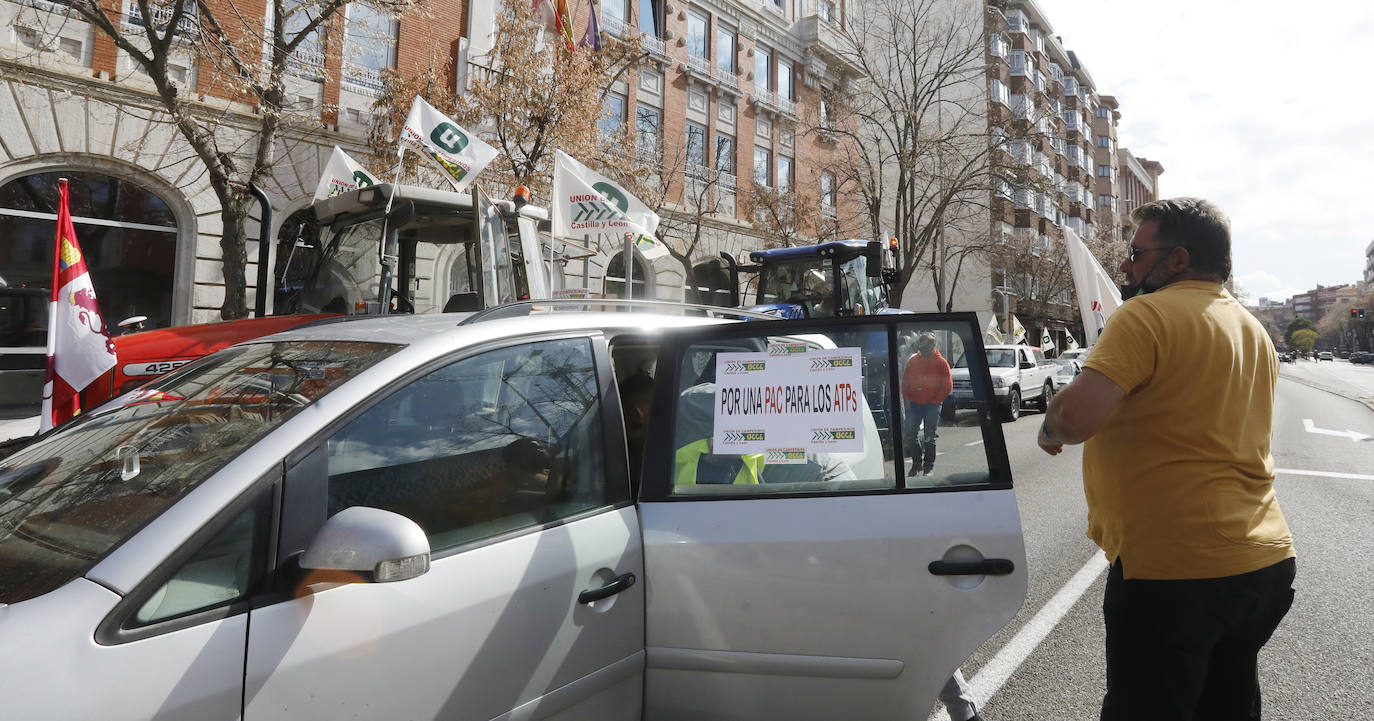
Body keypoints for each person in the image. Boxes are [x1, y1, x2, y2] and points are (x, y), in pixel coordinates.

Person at [1036, 198, 1295, 720]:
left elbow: (1075, 418)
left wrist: (1048, 425)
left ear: (1176, 260)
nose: (1126, 267)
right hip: (1262, 561)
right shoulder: (1252, 330)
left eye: (1135, 253)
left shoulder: (1145, 315)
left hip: (1175, 570)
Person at [900, 333, 952, 477]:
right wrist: (907, 400)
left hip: (932, 405)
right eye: (922, 344)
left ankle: (929, 467)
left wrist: (936, 401)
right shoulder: (913, 361)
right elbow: (905, 382)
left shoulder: (941, 362)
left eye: (928, 344)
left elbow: (948, 386)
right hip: (914, 404)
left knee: (929, 437)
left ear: (933, 346)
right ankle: (917, 463)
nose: (924, 347)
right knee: (910, 434)